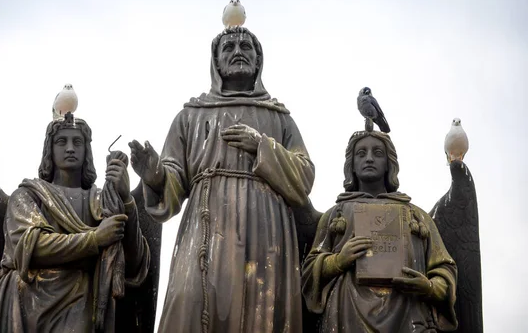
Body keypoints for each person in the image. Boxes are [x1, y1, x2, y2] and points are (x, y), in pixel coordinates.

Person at [129, 27, 315, 333]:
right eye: (228, 47)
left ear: (258, 61)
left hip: (266, 231)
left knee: (261, 307)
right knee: (188, 297)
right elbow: (174, 178)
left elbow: (304, 176)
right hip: (206, 224)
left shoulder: (280, 118)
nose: (238, 51)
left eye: (246, 47)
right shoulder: (190, 115)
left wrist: (261, 146)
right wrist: (156, 175)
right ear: (215, 61)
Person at [0, 113, 150, 332]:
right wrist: (95, 238)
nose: (70, 148)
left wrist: (126, 199)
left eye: (77, 142)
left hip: (79, 300)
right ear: (49, 150)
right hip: (26, 300)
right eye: (62, 141)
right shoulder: (27, 196)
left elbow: (134, 264)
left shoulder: (101, 201)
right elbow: (32, 247)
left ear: (86, 150)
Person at [302, 131, 458, 333]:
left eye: (377, 153)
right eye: (361, 153)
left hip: (408, 314)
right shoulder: (336, 215)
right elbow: (308, 274)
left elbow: (445, 269)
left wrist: (429, 287)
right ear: (352, 164)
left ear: (388, 163)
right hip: (346, 316)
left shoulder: (416, 216)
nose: (369, 158)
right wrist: (338, 261)